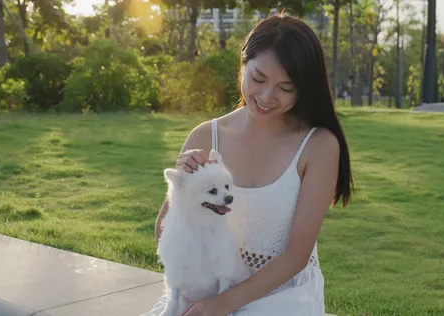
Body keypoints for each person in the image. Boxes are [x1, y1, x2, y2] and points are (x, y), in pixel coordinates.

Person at [142, 10, 353, 316]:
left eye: (286, 88)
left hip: (283, 293)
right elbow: (165, 232)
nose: (267, 96)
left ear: (304, 88)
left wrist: (223, 304)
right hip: (209, 286)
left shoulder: (318, 145)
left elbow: (296, 256)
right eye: (258, 78)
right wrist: (183, 191)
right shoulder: (205, 136)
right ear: (243, 65)